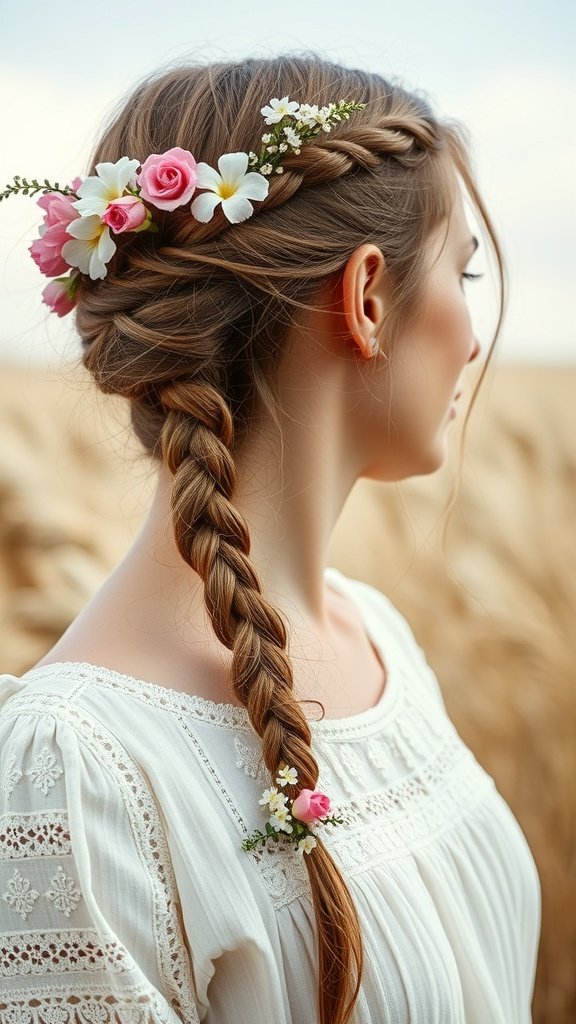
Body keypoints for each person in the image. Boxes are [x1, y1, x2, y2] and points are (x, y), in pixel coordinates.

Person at [0, 53, 541, 1024]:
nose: (472, 338)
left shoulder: (384, 639)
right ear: (368, 297)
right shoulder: (76, 773)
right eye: (461, 269)